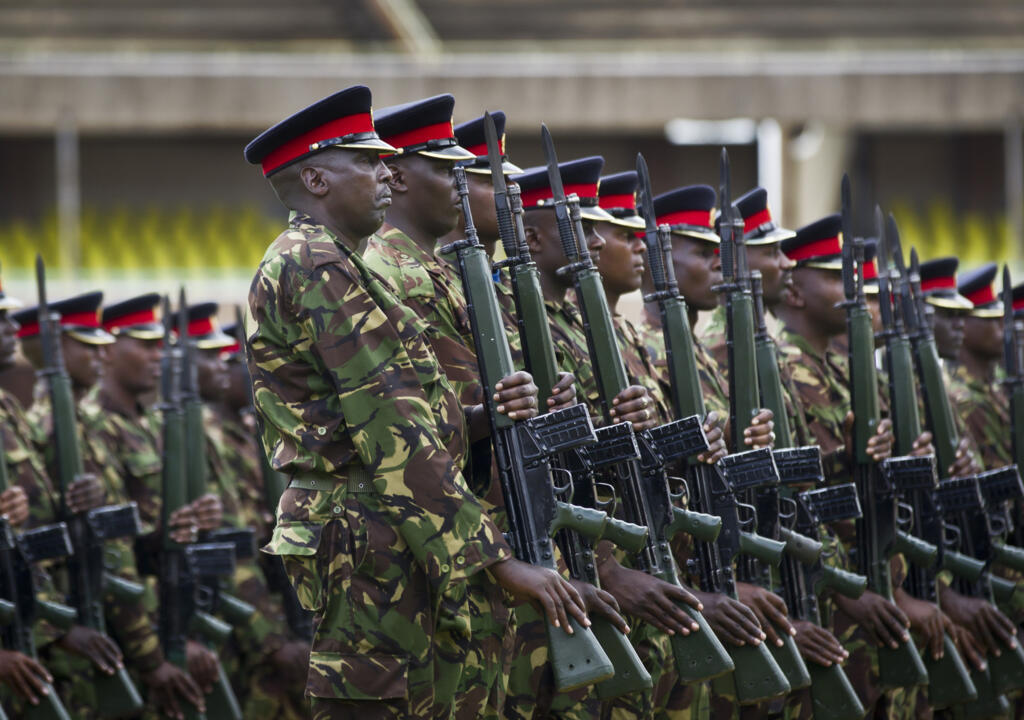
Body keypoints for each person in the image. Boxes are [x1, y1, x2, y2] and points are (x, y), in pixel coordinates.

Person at [243, 85, 589, 720]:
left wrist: (487, 417)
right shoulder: (316, 264)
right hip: (367, 535)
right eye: (368, 161)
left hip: (393, 531)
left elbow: (414, 412)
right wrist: (496, 559)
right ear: (316, 178)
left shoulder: (343, 263)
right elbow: (393, 431)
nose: (384, 172)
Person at [14, 290, 205, 719]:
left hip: (115, 623)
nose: (99, 352)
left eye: (103, 342)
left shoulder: (90, 427)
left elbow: (126, 541)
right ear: (54, 349)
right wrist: (148, 655)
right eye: (88, 344)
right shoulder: (48, 429)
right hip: (75, 629)